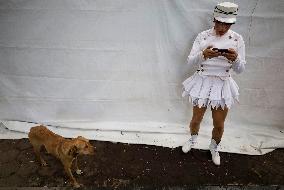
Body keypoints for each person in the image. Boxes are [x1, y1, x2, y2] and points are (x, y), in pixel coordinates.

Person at [181, 2, 246, 165]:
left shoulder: (237, 39)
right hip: (202, 81)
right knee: (196, 119)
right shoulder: (202, 36)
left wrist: (235, 58)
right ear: (214, 19)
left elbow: (240, 69)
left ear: (232, 23)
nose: (222, 27)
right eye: (219, 22)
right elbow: (189, 62)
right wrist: (203, 55)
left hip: (223, 84)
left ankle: (214, 147)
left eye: (227, 24)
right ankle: (193, 139)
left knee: (219, 123)